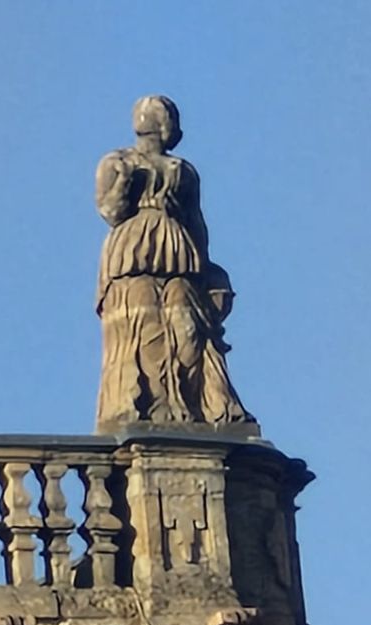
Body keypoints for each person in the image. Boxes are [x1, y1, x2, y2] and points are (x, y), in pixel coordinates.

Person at [94, 95, 253, 431]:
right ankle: (144, 404)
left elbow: (196, 221)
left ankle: (191, 402)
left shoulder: (183, 171)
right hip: (133, 255)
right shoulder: (116, 161)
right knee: (141, 322)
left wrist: (210, 271)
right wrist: (123, 181)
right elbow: (110, 211)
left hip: (180, 255)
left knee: (187, 327)